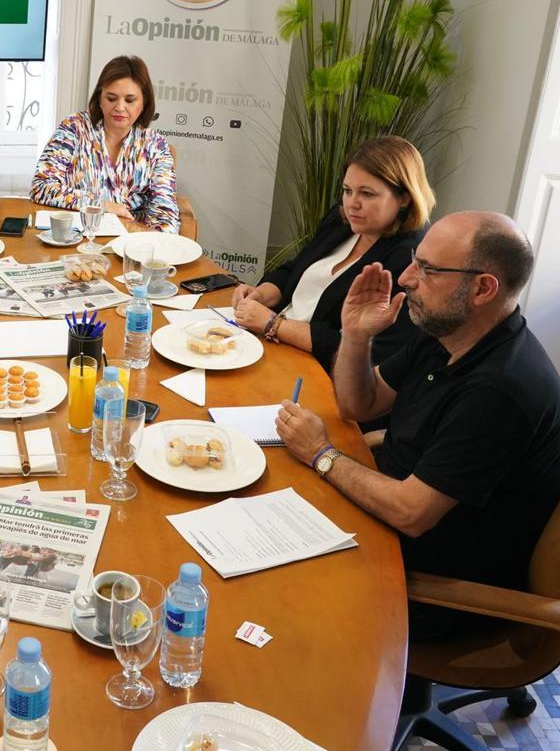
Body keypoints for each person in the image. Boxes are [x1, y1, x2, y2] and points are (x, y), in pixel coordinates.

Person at [275, 212, 560, 639]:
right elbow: (360, 402)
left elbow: (411, 513)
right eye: (414, 261)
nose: (406, 278)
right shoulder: (447, 331)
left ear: (483, 288)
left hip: (439, 586)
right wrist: (356, 335)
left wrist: (322, 455)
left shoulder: (501, 388)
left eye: (428, 270)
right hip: (389, 517)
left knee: (270, 589)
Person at [233, 136, 434, 370]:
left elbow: (371, 351)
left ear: (404, 198)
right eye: (348, 191)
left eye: (367, 194)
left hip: (317, 370)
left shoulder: (410, 258)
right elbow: (294, 268)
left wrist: (273, 324)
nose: (352, 203)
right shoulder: (342, 221)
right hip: (270, 343)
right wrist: (260, 295)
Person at [30, 55, 179, 232]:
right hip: (74, 240)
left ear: (144, 102)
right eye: (111, 98)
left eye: (130, 100)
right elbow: (41, 187)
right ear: (99, 98)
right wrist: (101, 205)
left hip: (130, 245)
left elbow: (165, 215)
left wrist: (146, 248)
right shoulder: (74, 129)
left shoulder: (156, 146)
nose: (120, 107)